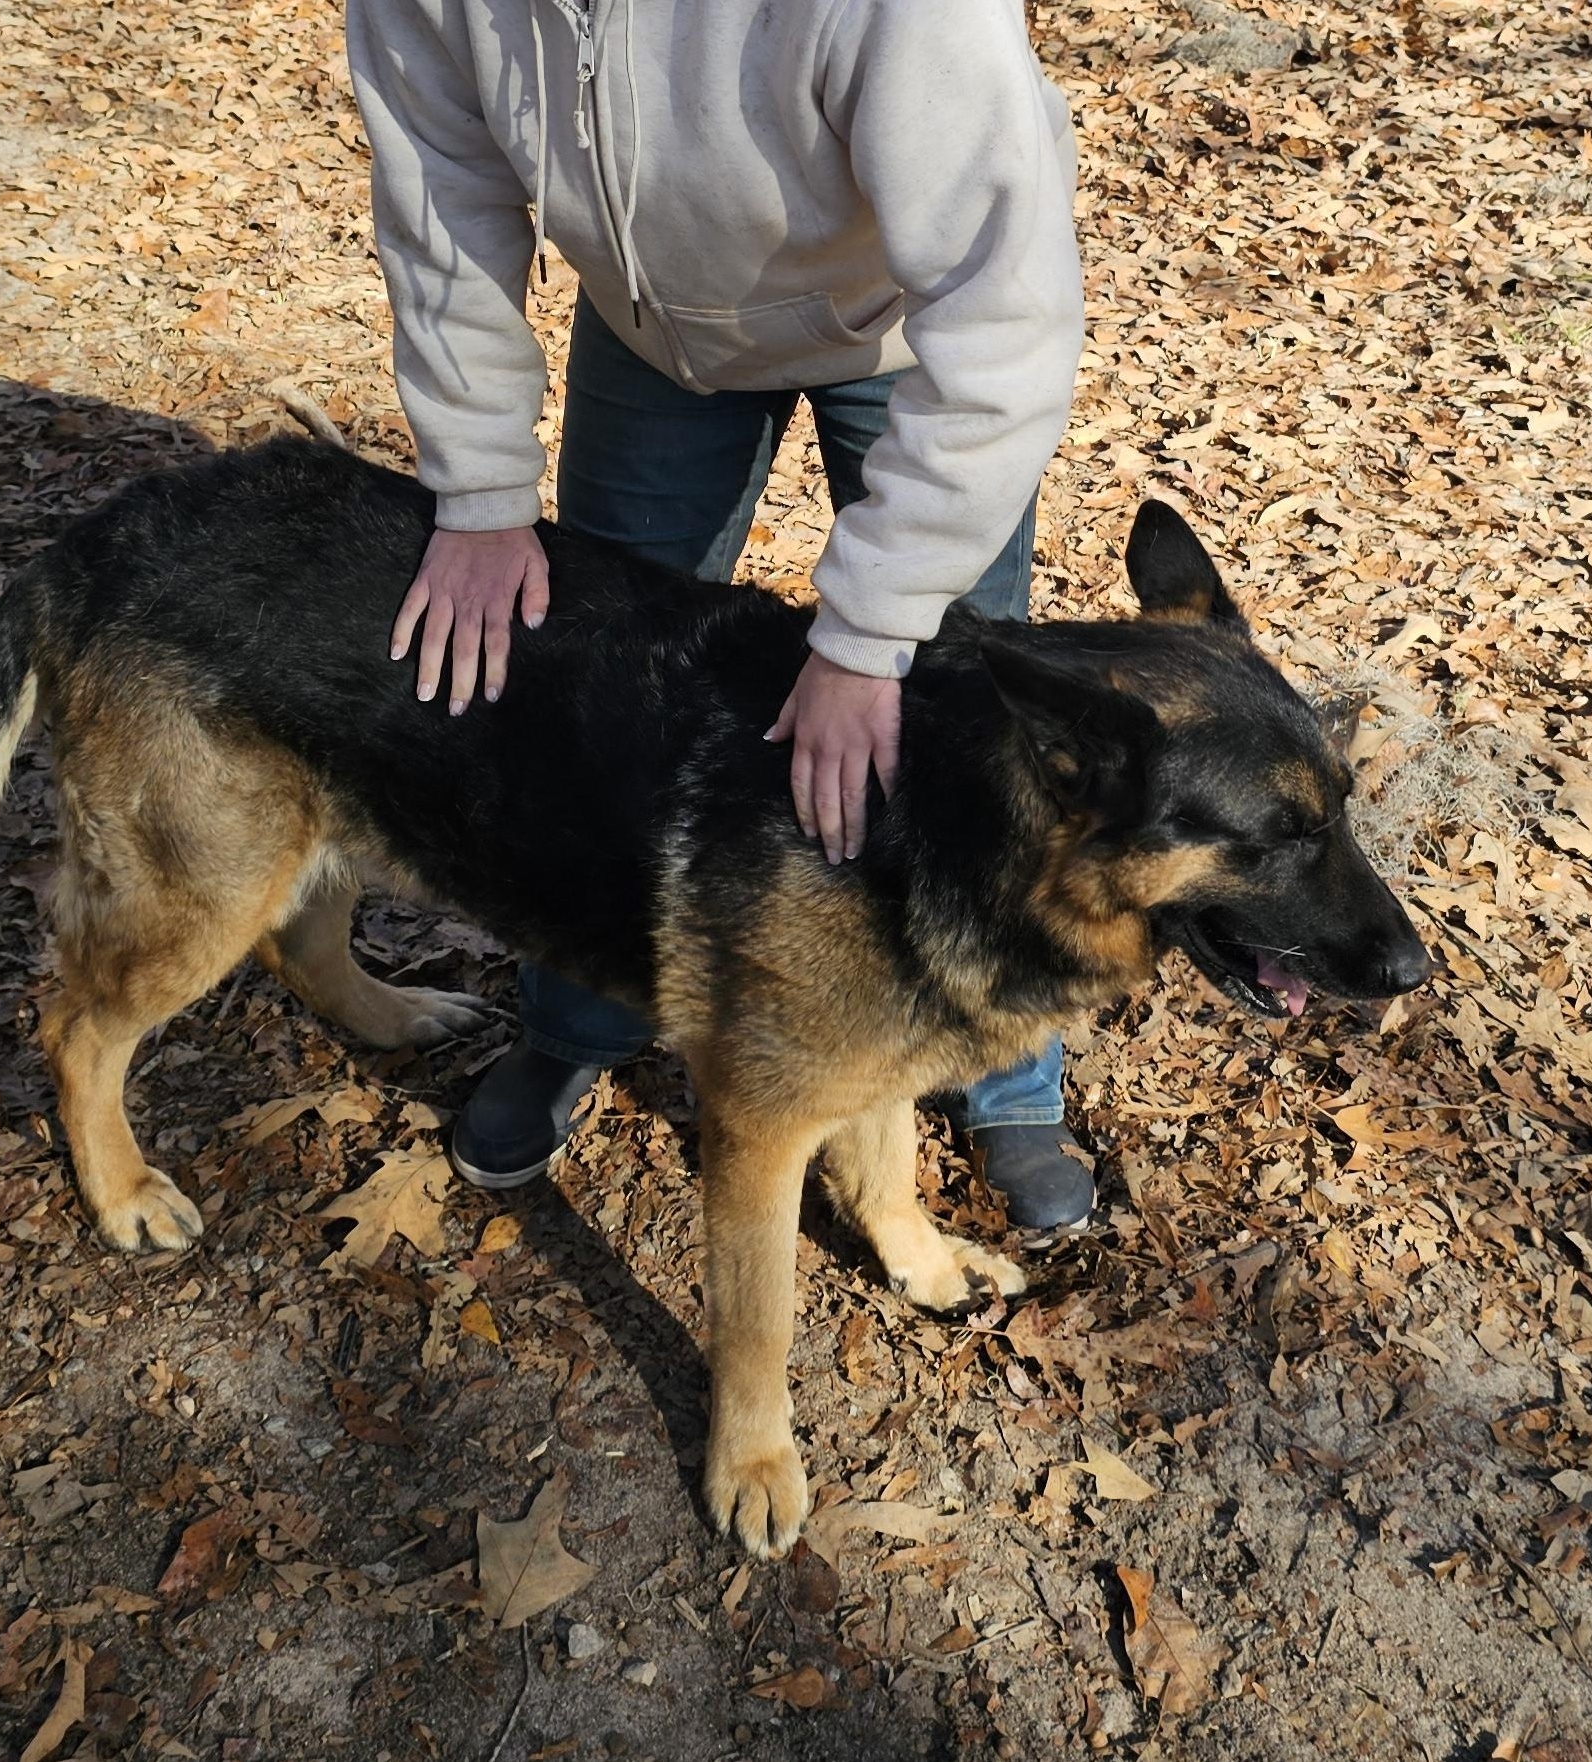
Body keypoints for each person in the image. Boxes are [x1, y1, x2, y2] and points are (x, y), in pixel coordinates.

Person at [346, 0, 1093, 1231]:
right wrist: (477, 489)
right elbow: (439, 192)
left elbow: (1003, 302)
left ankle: (1007, 1074)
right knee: (599, 699)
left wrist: (867, 632)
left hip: (903, 323)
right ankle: (576, 1016)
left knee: (970, 708)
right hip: (650, 332)